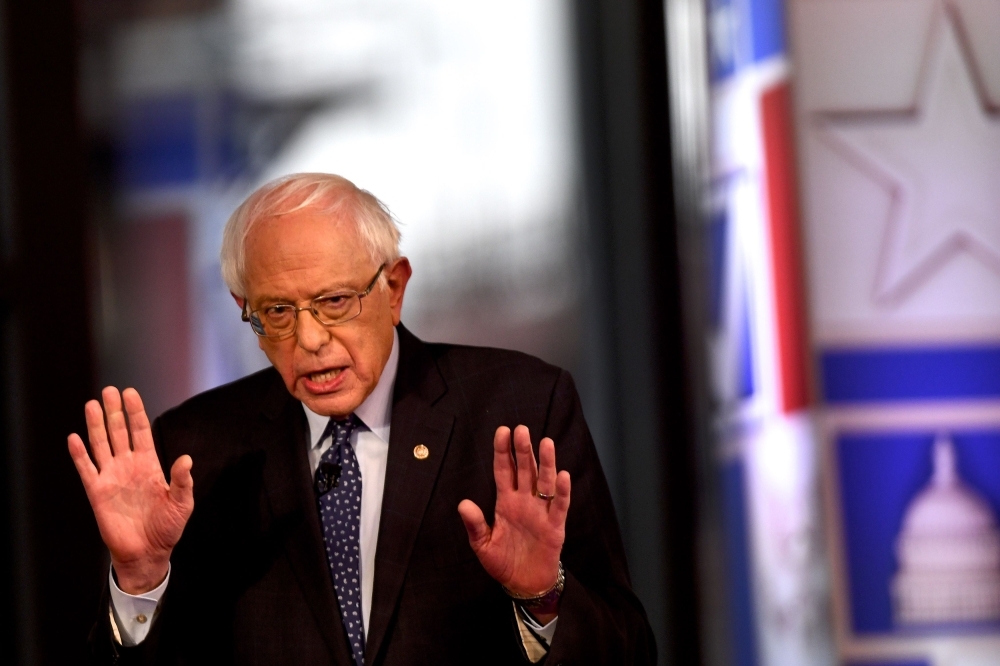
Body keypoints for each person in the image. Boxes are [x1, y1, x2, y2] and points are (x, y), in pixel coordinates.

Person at [68, 173, 655, 665]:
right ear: (245, 312)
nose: (311, 339)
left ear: (394, 288)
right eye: (277, 311)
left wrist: (540, 598)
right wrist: (141, 582)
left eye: (334, 302)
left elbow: (630, 652)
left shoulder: (519, 410)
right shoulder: (197, 454)